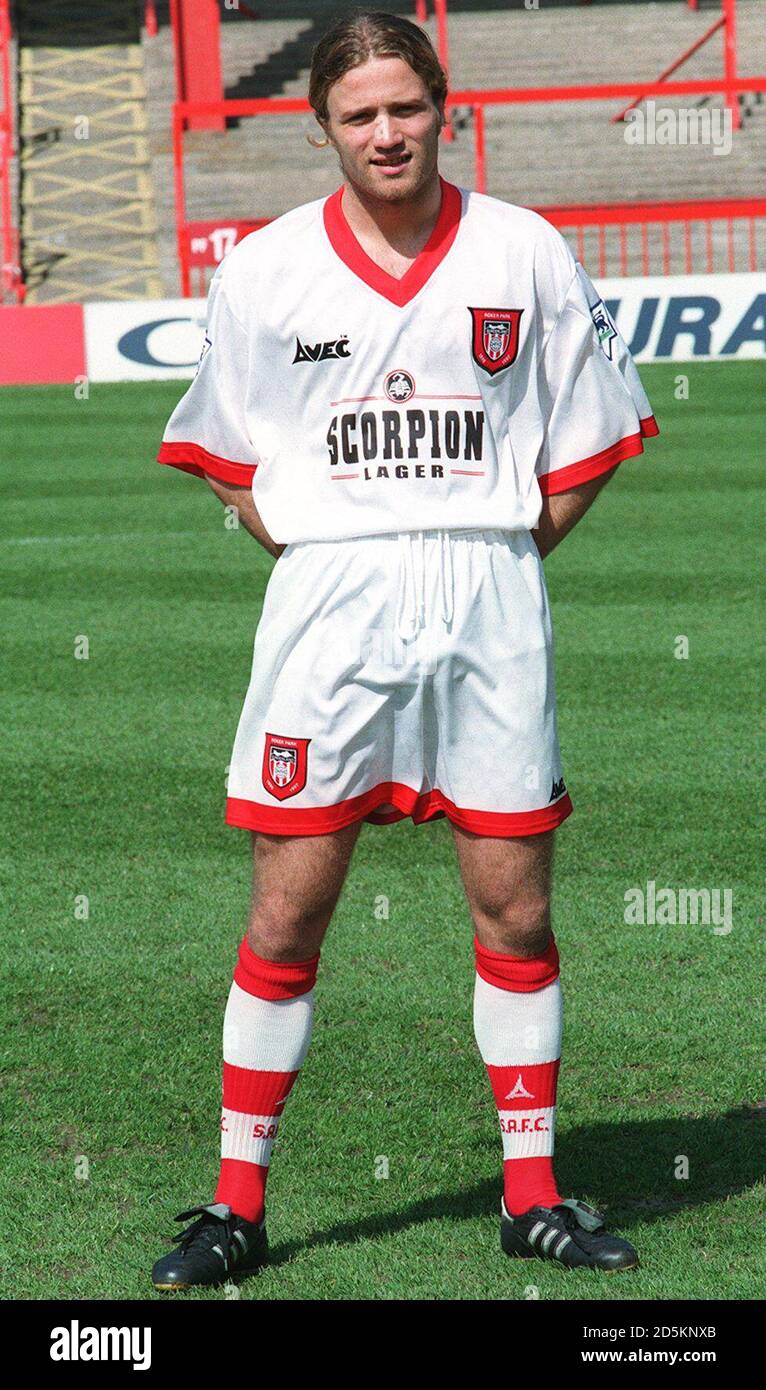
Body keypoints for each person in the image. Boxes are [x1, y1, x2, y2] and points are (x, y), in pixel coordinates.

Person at [152, 9, 658, 1289]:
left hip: (488, 591)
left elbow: (586, 439)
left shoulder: (525, 251)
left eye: (405, 106)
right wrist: (333, 553)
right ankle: (234, 1205)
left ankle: (531, 1192)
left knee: (516, 905)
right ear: (321, 126)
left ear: (446, 106)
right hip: (331, 609)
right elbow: (229, 461)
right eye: (359, 113)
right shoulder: (266, 269)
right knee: (287, 908)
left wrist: (497, 553)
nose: (387, 132)